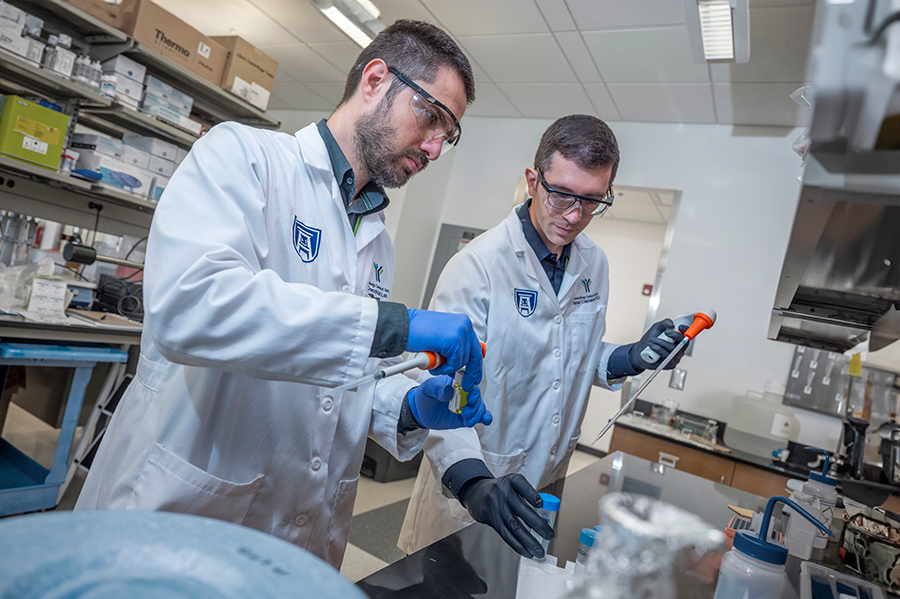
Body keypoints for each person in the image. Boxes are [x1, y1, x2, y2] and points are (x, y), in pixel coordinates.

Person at [75, 20, 492, 569]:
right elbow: (190, 307)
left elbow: (337, 381)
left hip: (301, 536)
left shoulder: (377, 242)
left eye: (450, 133)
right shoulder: (243, 157)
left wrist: (407, 408)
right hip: (187, 516)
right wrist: (396, 325)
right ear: (374, 81)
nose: (437, 147)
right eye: (432, 116)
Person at [398, 114, 691, 559]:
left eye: (592, 202)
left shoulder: (595, 265)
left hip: (547, 478)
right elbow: (437, 387)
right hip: (475, 479)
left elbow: (571, 356)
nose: (574, 216)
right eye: (561, 196)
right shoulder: (478, 266)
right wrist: (474, 484)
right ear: (533, 181)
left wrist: (631, 357)